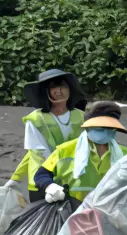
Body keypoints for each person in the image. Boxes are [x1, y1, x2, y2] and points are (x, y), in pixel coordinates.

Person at [8, 69, 87, 202]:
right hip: (42, 181)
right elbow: (37, 153)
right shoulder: (36, 119)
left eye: (63, 86)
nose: (59, 91)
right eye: (53, 87)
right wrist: (16, 177)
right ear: (45, 92)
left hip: (73, 180)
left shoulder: (81, 117)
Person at [35, 101, 127, 203]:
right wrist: (50, 187)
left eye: (109, 128)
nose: (105, 131)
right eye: (99, 128)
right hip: (71, 211)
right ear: (88, 128)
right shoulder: (65, 150)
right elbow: (41, 174)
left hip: (109, 212)